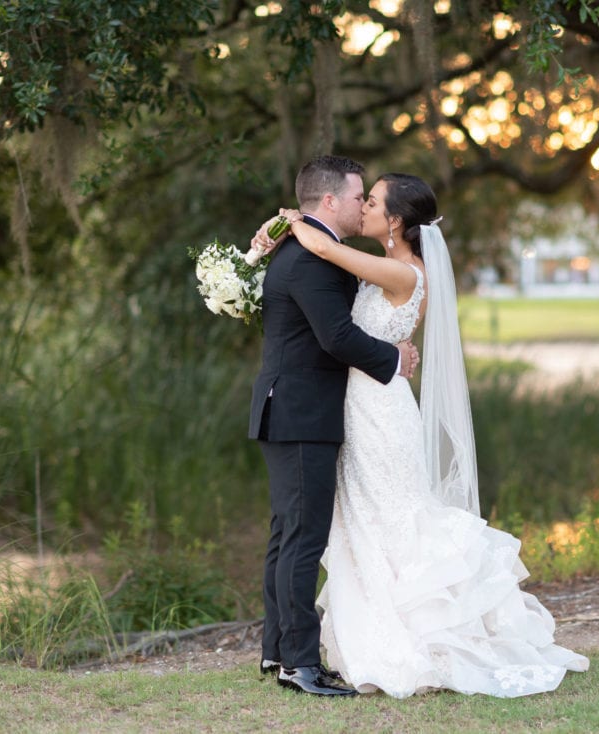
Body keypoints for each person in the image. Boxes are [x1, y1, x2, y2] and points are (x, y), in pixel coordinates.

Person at [251, 173, 588, 698]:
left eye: (373, 201)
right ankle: (307, 648)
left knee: (392, 519)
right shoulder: (380, 268)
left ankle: (408, 634)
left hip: (380, 414)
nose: (363, 207)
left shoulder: (401, 272)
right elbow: (329, 298)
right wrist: (283, 232)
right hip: (358, 408)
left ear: (396, 222)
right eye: (361, 197)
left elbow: (324, 253)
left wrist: (295, 224)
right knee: (362, 524)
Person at [250, 156, 419, 698]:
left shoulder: (311, 250)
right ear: (328, 202)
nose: (360, 203)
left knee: (288, 534)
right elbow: (337, 338)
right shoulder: (311, 258)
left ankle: (278, 651)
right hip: (303, 411)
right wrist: (393, 359)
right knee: (302, 537)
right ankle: (299, 663)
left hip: (296, 407)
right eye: (356, 196)